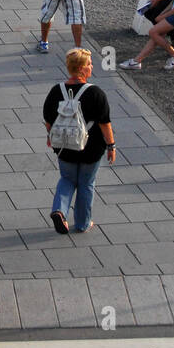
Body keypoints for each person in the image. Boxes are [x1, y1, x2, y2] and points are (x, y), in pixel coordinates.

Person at [43, 48, 116, 234]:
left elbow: (48, 119)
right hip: (91, 149)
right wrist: (111, 146)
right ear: (82, 68)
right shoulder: (96, 93)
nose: (92, 66)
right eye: (90, 64)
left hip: (64, 146)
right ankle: (83, 223)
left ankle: (59, 210)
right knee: (86, 183)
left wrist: (52, 137)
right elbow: (104, 124)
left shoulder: (56, 91)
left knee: (67, 178)